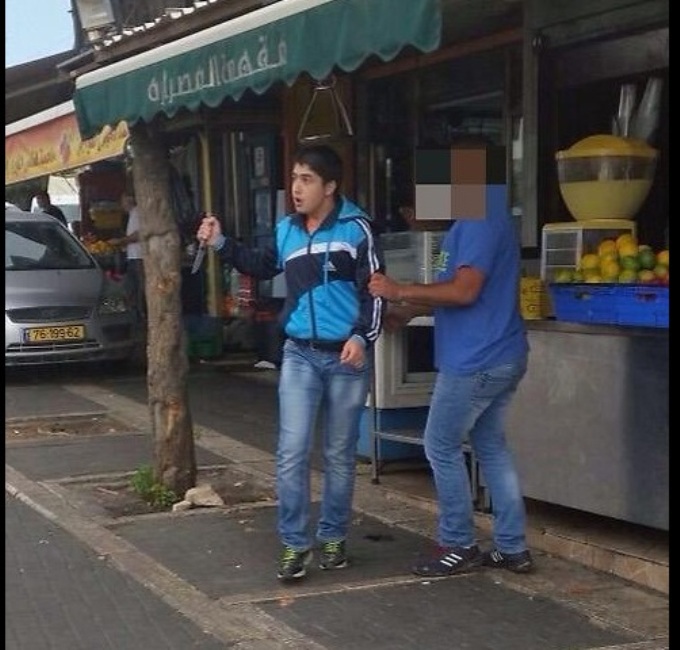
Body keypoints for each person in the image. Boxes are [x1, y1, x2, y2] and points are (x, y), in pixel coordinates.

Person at [196, 144, 385, 582]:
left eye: (307, 180)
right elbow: (262, 265)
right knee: (291, 451)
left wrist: (362, 336)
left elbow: (374, 291)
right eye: (295, 178)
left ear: (330, 186)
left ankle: (333, 538)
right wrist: (221, 242)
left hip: (347, 356)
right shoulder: (287, 230)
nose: (296, 188)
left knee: (339, 454)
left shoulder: (357, 229)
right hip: (299, 353)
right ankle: (295, 544)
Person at [368, 164, 533, 577]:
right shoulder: (475, 218)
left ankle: (459, 544)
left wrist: (398, 290)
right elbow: (454, 293)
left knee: (439, 444)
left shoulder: (479, 218)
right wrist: (407, 310)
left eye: (416, 202)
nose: (414, 214)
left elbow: (465, 290)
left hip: (476, 360)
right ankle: (512, 548)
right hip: (499, 353)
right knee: (491, 446)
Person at [109, 192, 146, 324]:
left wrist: (121, 241)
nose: (121, 204)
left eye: (123, 201)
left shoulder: (137, 213)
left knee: (139, 289)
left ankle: (141, 316)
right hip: (132, 257)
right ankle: (136, 315)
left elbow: (139, 235)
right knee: (132, 289)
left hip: (139, 257)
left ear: (130, 200)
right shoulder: (132, 214)